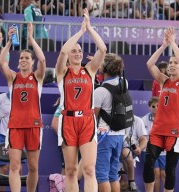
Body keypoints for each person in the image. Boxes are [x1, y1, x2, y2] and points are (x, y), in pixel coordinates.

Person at [55, 8, 107, 192]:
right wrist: (80, 32)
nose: (77, 53)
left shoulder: (90, 70)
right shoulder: (62, 72)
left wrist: (90, 29)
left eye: (79, 51)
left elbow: (103, 49)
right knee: (70, 170)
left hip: (87, 120)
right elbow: (62, 51)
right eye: (74, 51)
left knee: (89, 169)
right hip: (68, 120)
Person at [143, 27, 179, 192]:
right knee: (148, 163)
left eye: (175, 63)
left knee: (170, 170)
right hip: (158, 130)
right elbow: (150, 64)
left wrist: (173, 42)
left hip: (175, 133)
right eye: (170, 62)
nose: (172, 65)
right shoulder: (164, 81)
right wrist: (164, 46)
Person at [0, 22, 46, 192]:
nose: (24, 60)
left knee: (33, 167)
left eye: (27, 58)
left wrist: (31, 39)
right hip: (15, 126)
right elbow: (1, 61)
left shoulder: (37, 77)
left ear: (32, 62)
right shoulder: (13, 77)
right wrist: (9, 42)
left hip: (34, 125)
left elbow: (42, 59)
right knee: (14, 166)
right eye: (21, 58)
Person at [94, 53, 127, 192]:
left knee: (102, 176)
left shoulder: (100, 91)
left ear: (105, 68)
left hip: (104, 135)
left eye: (101, 64)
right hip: (119, 135)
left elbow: (93, 117)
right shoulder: (124, 83)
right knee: (113, 175)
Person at [142, 97, 167, 192]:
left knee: (164, 174)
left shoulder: (165, 118)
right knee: (156, 173)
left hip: (163, 151)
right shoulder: (144, 120)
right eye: (153, 106)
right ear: (149, 107)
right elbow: (143, 137)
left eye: (158, 106)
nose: (156, 108)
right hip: (151, 150)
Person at [121, 115, 148, 192]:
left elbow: (143, 139)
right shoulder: (111, 118)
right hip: (112, 148)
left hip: (128, 151)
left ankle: (131, 182)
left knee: (126, 153)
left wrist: (139, 148)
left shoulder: (137, 120)